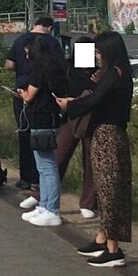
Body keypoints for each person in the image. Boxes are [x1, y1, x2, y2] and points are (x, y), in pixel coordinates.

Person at [57, 31, 134, 267]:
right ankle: (102, 238)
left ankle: (113, 249)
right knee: (104, 187)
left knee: (110, 190)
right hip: (109, 133)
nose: (96, 54)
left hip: (108, 134)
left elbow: (95, 100)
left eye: (99, 50)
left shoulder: (114, 73)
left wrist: (70, 105)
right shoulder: (118, 72)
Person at [5, 16, 60, 205]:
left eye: (28, 54)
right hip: (48, 107)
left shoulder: (20, 40)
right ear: (50, 28)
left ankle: (28, 179)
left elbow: (9, 65)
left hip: (29, 101)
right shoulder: (53, 43)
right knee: (44, 154)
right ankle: (41, 191)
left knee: (26, 138)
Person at [17, 34, 68, 227]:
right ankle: (45, 205)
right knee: (44, 166)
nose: (26, 54)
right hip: (52, 119)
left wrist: (22, 94)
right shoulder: (55, 67)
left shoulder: (38, 70)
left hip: (41, 119)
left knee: (46, 167)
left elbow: (30, 96)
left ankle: (52, 209)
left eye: (28, 50)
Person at [55, 36, 98, 218]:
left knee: (91, 161)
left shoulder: (100, 71)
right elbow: (59, 87)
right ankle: (46, 197)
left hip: (92, 118)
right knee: (58, 156)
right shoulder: (68, 67)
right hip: (70, 116)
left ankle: (88, 203)